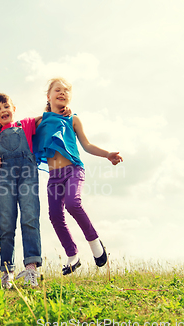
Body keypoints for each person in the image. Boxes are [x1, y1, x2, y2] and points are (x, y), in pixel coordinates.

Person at [33, 78, 123, 275]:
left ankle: (94, 242)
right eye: (58, 90)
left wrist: (107, 154)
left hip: (73, 169)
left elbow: (87, 145)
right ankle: (72, 255)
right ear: (48, 96)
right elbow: (19, 127)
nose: (62, 93)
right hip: (54, 176)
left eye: (66, 91)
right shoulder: (39, 122)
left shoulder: (73, 119)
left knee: (73, 204)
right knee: (55, 215)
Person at [0, 93, 44, 288]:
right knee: (6, 224)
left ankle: (31, 269)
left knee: (30, 218)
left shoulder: (25, 125)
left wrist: (59, 110)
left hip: (28, 176)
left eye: (6, 106)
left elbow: (46, 117)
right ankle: (7, 272)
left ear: (13, 108)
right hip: (5, 180)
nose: (3, 111)